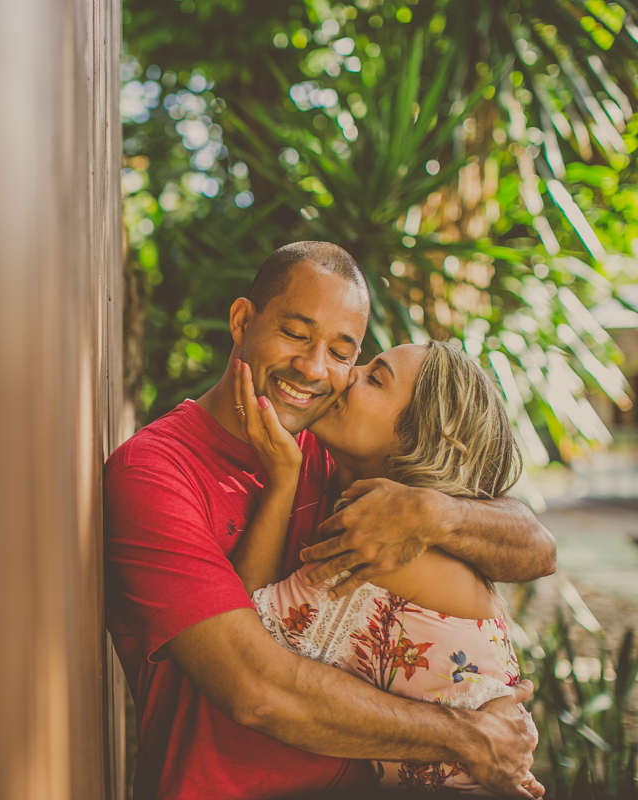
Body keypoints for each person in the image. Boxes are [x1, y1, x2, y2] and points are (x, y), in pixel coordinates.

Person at [104, 242, 556, 800]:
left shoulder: (343, 461)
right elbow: (255, 688)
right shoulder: (154, 471)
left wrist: (434, 511)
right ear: (243, 321)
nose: (317, 369)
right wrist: (466, 737)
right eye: (295, 334)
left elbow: (540, 547)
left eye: (345, 354)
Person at [231, 340, 540, 795]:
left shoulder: (387, 552)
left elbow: (243, 636)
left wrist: (281, 482)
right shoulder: (425, 545)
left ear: (414, 440)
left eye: (375, 378)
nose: (348, 373)